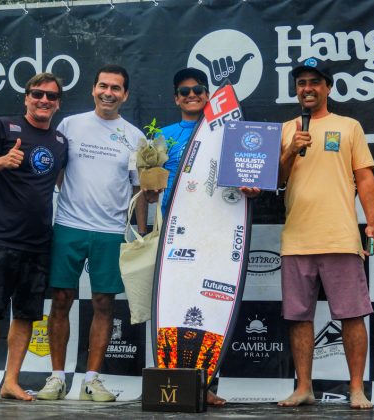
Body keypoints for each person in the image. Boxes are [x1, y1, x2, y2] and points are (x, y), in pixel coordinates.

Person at [243, 60, 374, 409]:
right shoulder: (286, 130)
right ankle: (304, 387)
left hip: (340, 237)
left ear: (328, 88)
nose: (307, 88)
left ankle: (356, 389)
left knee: (351, 314)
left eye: (314, 82)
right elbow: (273, 181)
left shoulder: (349, 126)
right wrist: (289, 150)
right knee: (298, 317)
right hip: (297, 239)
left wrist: (372, 223)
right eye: (301, 82)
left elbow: (364, 178)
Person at [37, 64, 147, 402]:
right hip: (68, 225)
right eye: (103, 86)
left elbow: (139, 191)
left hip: (111, 231)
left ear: (125, 94)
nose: (108, 93)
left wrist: (142, 236)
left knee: (104, 304)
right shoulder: (70, 124)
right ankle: (56, 378)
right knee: (60, 300)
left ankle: (92, 380)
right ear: (93, 88)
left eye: (116, 88)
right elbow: (56, 173)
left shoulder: (135, 137)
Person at [0, 72, 68, 402]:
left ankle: (11, 381)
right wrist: (3, 160)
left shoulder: (60, 142)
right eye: (37, 94)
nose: (43, 100)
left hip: (38, 244)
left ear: (58, 104)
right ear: (26, 97)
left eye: (51, 96)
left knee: (25, 315)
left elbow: (63, 184)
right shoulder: (3, 127)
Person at [151, 68, 225, 406]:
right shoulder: (161, 137)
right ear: (175, 97)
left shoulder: (225, 132)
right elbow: (148, 189)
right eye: (184, 91)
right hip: (172, 235)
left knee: (210, 309)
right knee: (171, 309)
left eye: (198, 89)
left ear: (208, 94)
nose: (191, 95)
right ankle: (169, 380)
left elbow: (246, 177)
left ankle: (208, 385)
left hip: (214, 233)